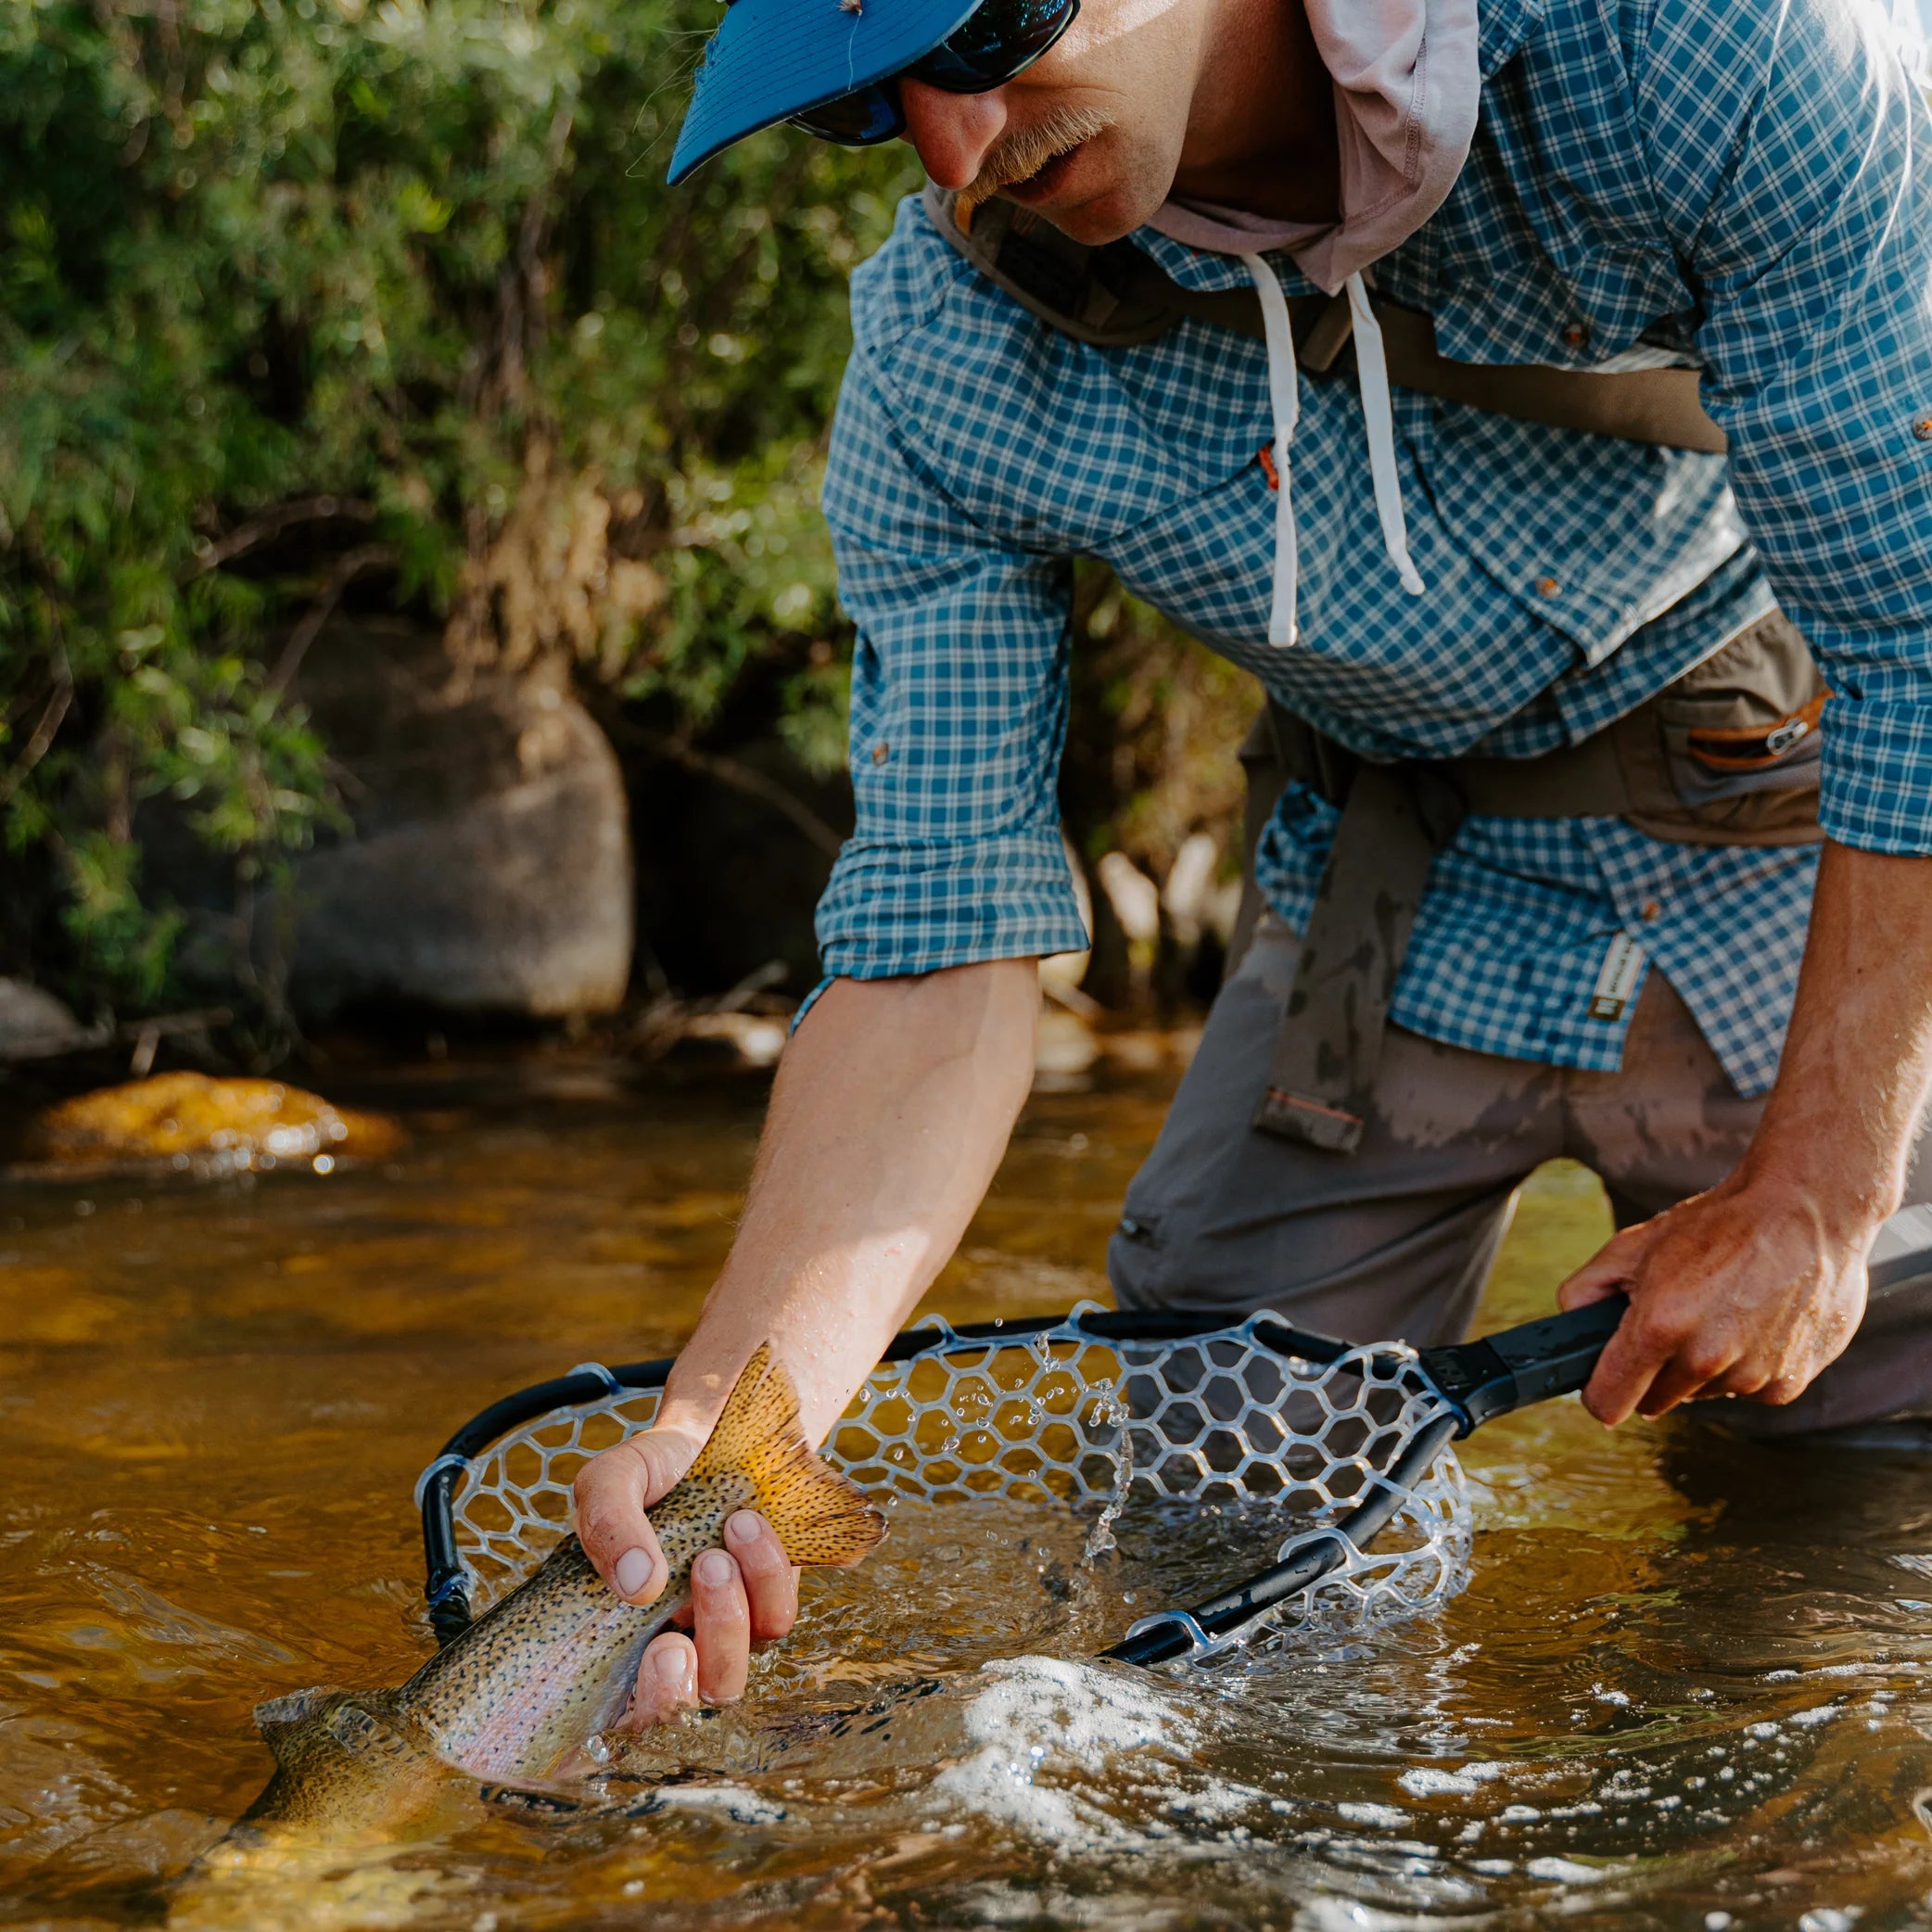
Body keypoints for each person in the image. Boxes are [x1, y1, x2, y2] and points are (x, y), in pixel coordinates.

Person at [572, 0, 1932, 1723]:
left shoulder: (1706, 46)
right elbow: (939, 945)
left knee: (1871, 1525)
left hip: (1799, 828)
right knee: (1219, 1545)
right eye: (862, 107)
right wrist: (722, 1425)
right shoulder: (944, 364)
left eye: (982, 29)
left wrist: (1818, 1202)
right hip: (1383, 884)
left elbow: (1923, 659)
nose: (951, 149)